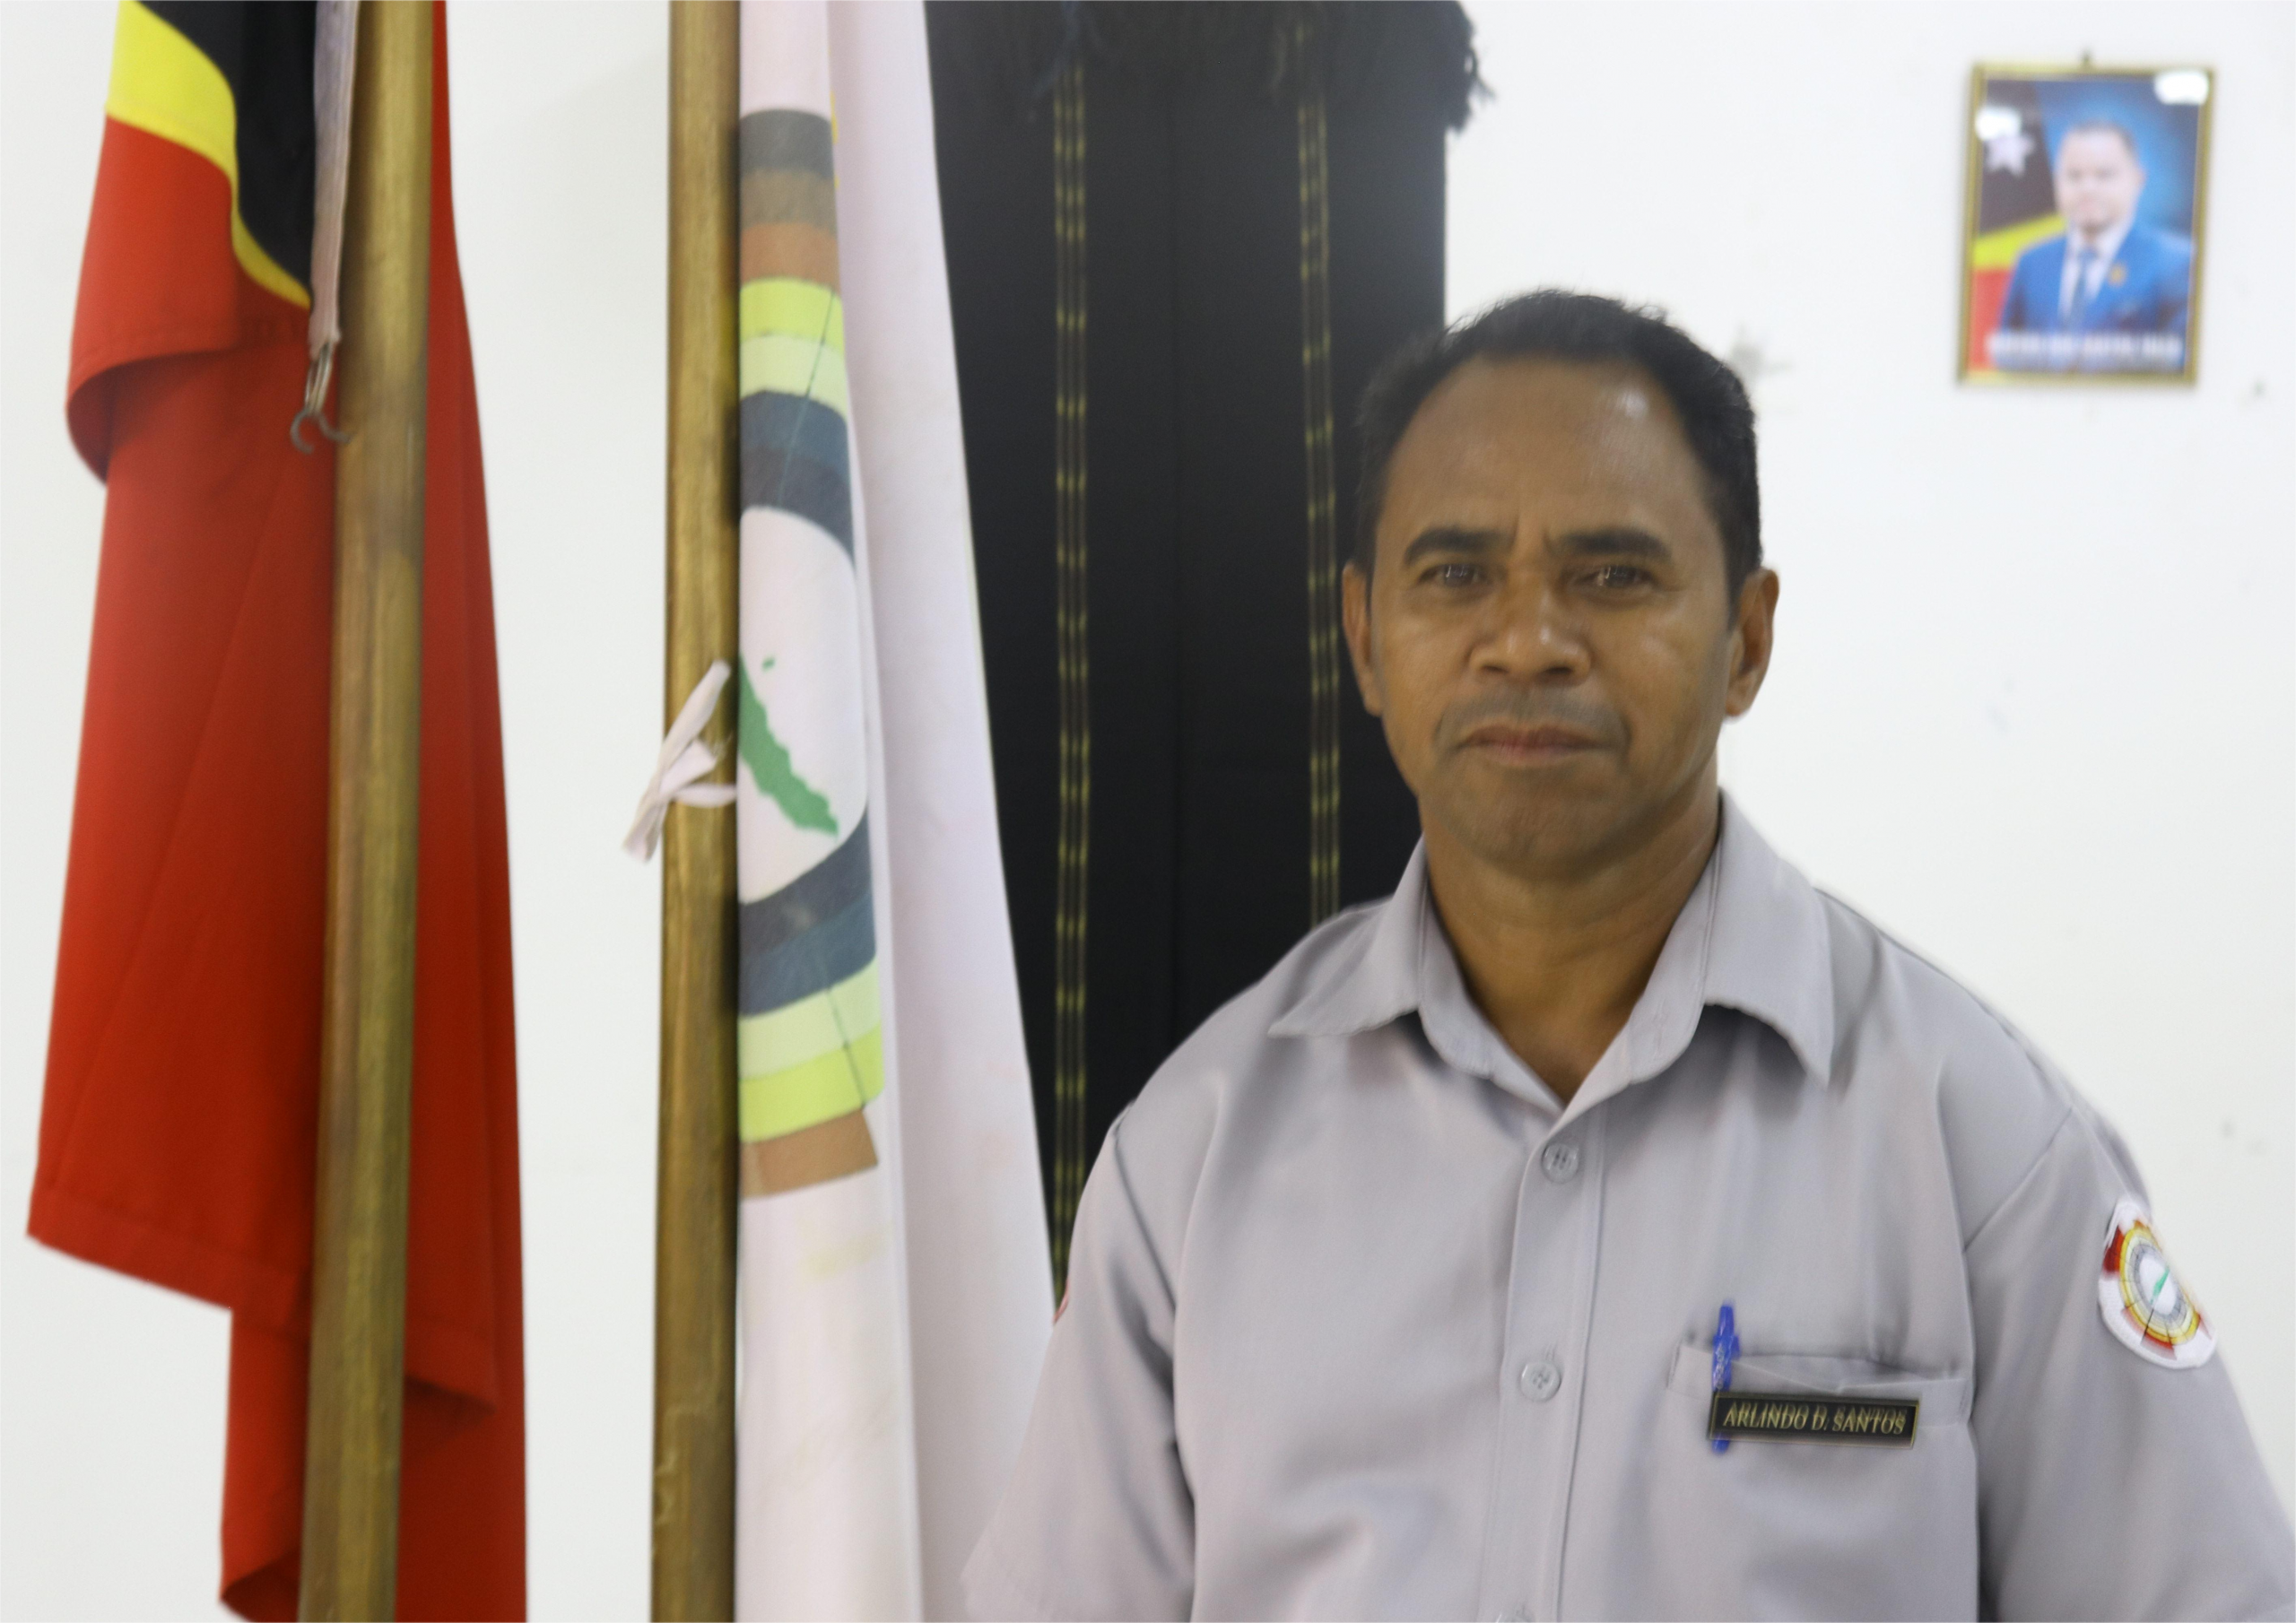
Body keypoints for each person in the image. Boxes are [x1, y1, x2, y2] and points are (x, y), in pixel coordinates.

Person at [963, 291, 2296, 1622]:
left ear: (1747, 640)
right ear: (1366, 638)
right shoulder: (1196, 1156)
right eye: (1456, 574)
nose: (1528, 641)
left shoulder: (1981, 1147)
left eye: (1612, 576)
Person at [1995, 118, 2194, 370]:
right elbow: (2007, 359)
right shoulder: (2032, 262)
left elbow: (2181, 365)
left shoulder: (2177, 263)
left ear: (2138, 180)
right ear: (2056, 181)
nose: (2087, 188)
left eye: (2104, 174)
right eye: (2074, 175)